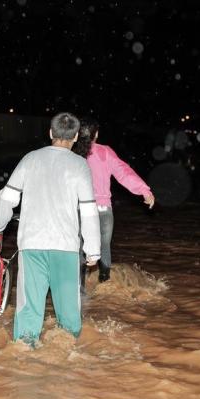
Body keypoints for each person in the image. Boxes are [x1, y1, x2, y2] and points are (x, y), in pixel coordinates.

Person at [0, 112, 100, 347]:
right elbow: (89, 211)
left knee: (29, 309)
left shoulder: (30, 159)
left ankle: (24, 356)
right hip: (66, 248)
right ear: (76, 137)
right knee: (69, 314)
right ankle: (67, 361)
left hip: (32, 244)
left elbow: (8, 197)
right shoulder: (80, 165)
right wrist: (93, 250)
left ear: (50, 133)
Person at [72, 118, 154, 283]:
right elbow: (124, 172)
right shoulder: (105, 152)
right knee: (104, 248)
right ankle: (104, 284)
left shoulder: (73, 154)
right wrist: (144, 190)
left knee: (79, 248)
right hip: (103, 209)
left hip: (80, 209)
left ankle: (79, 290)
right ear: (96, 134)